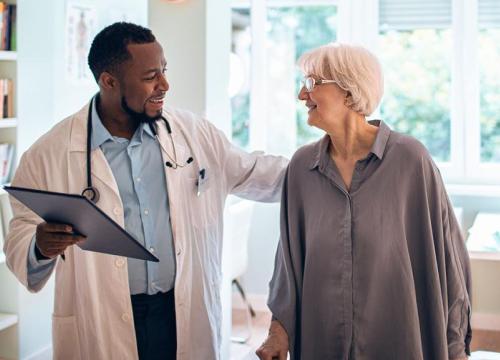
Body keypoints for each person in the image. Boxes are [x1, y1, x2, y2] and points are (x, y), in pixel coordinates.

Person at [4, 22, 287, 360]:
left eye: (164, 71)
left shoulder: (192, 133)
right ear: (109, 81)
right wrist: (40, 245)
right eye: (151, 76)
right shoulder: (49, 153)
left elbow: (258, 171)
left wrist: (333, 159)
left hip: (181, 311)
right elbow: (19, 236)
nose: (164, 85)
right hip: (101, 318)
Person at [256, 43, 471, 360]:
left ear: (348, 91)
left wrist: (455, 348)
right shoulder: (301, 168)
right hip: (322, 342)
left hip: (399, 340)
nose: (303, 95)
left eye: (313, 83)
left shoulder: (411, 160)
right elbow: (288, 263)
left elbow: (449, 261)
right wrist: (278, 331)